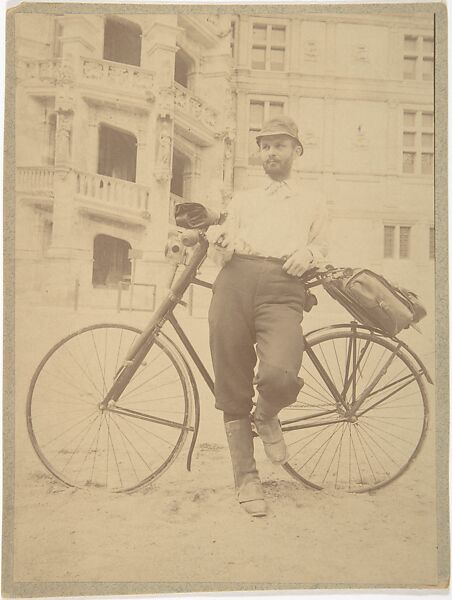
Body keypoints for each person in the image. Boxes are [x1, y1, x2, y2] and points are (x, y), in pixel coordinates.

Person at [207, 116, 329, 517]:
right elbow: (222, 250)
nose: (271, 152)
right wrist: (220, 241)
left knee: (279, 373)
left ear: (296, 151)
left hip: (282, 289)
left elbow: (323, 246)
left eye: (280, 145)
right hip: (235, 282)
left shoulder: (312, 200)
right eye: (265, 146)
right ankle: (246, 478)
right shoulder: (243, 199)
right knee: (232, 380)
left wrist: (308, 254)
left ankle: (267, 415)